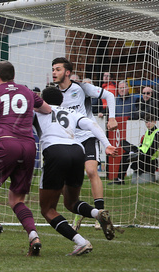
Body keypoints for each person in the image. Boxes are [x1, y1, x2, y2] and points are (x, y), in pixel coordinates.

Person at [0, 60, 51, 256]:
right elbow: (48, 110)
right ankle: (33, 235)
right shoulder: (27, 91)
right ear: (13, 76)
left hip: (7, 143)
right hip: (30, 146)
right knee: (17, 199)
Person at [35, 86, 118, 255]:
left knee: (47, 209)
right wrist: (107, 144)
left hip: (55, 152)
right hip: (77, 151)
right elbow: (91, 124)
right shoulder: (70, 111)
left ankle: (81, 242)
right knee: (70, 203)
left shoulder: (38, 111)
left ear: (43, 100)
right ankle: (97, 213)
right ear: (61, 100)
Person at [51, 57, 118, 231]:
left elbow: (109, 95)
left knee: (90, 171)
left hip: (88, 135)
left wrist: (111, 117)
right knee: (71, 179)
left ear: (67, 72)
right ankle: (82, 211)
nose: (54, 72)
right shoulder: (52, 94)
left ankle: (101, 214)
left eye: (57, 69)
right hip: (69, 140)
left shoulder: (81, 87)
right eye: (53, 69)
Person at [109, 113, 159, 185]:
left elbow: (152, 150)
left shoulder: (157, 133)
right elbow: (143, 145)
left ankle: (120, 179)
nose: (148, 124)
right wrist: (137, 151)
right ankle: (120, 179)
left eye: (150, 121)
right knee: (123, 143)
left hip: (147, 156)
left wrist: (140, 154)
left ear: (154, 122)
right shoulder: (147, 132)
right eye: (146, 122)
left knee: (126, 155)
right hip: (139, 151)